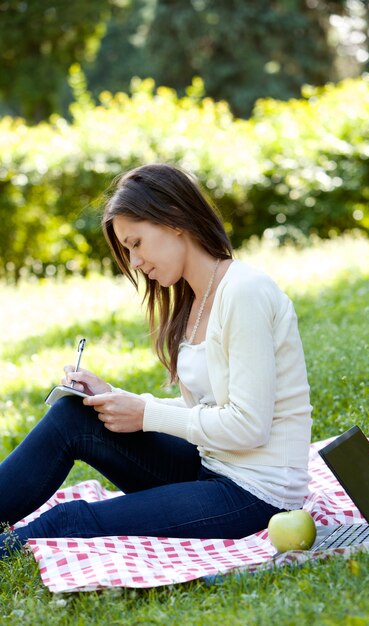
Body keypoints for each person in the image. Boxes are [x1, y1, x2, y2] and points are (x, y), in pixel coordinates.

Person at [0, 163, 312, 557]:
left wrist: (145, 415)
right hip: (210, 466)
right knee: (74, 416)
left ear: (175, 221)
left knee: (68, 521)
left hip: (257, 495)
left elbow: (249, 426)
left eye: (136, 243)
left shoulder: (245, 292)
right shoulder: (195, 298)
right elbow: (206, 408)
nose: (134, 262)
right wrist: (116, 399)